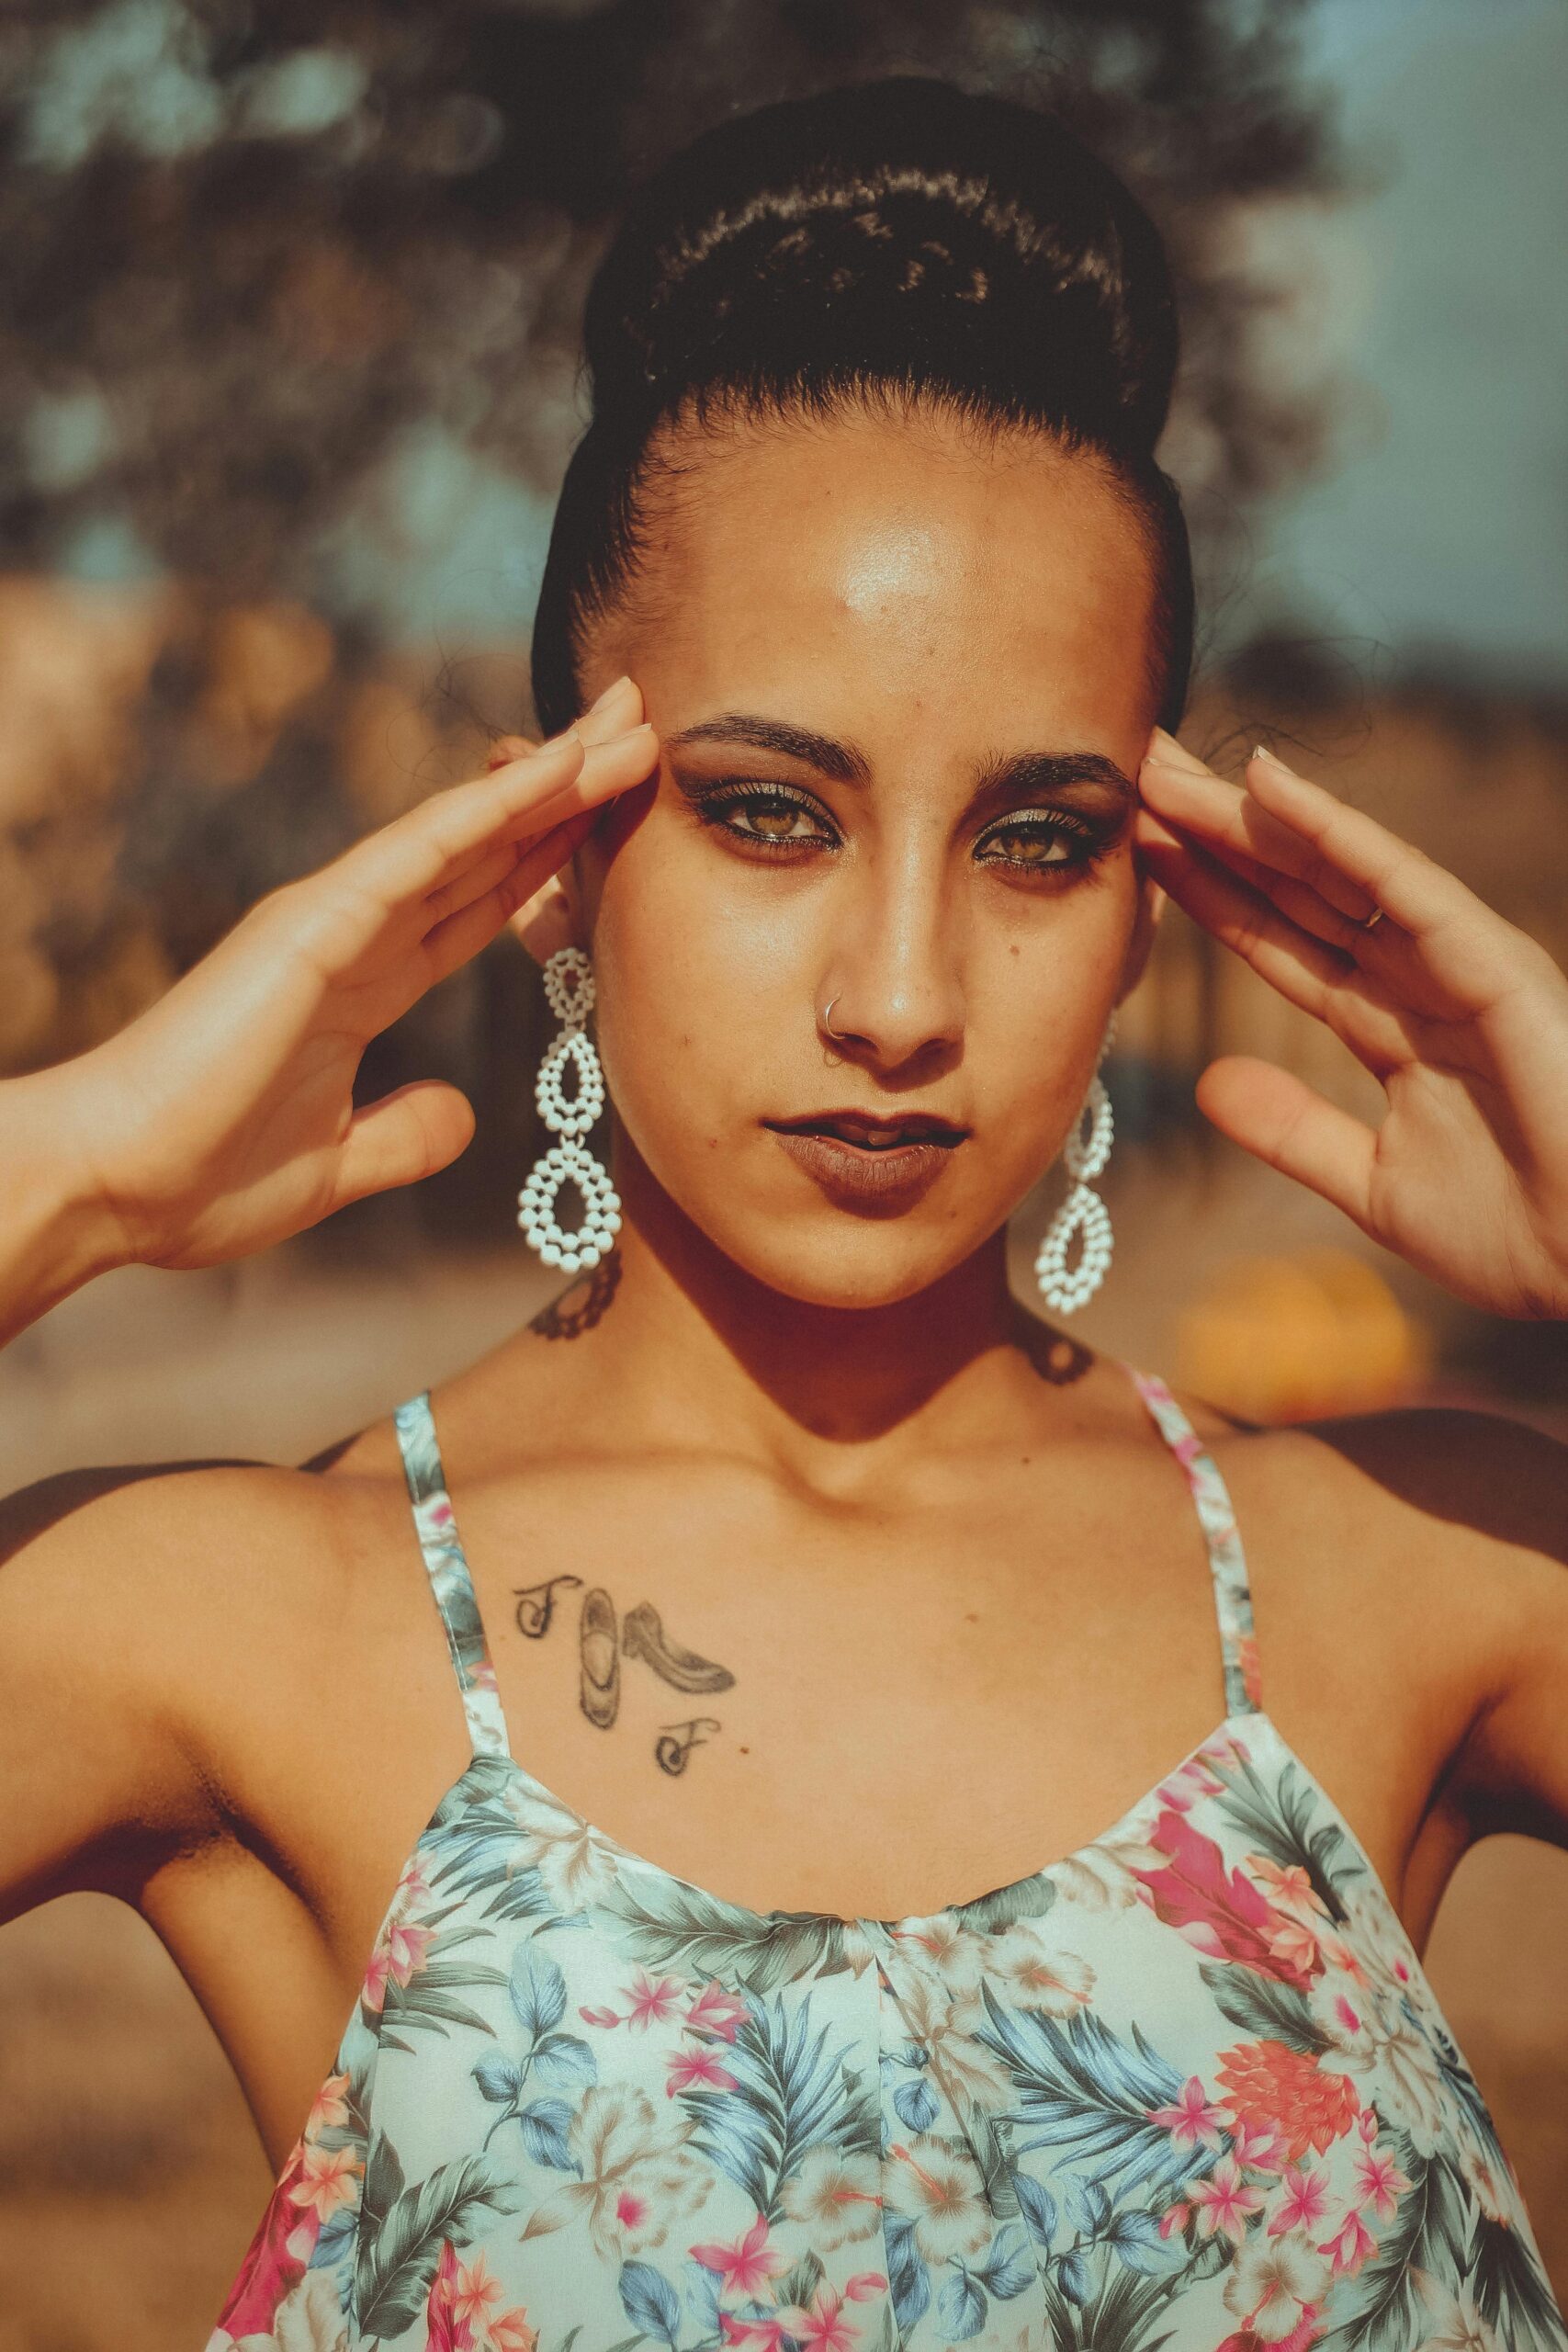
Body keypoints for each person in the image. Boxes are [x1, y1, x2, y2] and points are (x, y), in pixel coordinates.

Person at [3, 73, 1567, 2352]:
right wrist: (62, 1171)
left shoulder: (1412, 1572)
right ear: (552, 844)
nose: (902, 996)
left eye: (1035, 838)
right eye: (764, 810)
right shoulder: (238, 1625)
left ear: (1144, 909)